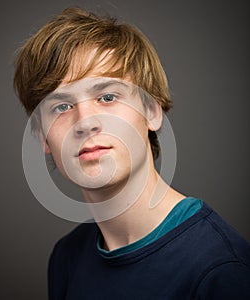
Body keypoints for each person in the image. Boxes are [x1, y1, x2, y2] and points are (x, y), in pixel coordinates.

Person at [14, 7, 250, 299]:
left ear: (151, 112)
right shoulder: (66, 258)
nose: (85, 122)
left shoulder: (221, 270)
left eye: (108, 97)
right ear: (43, 138)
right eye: (61, 106)